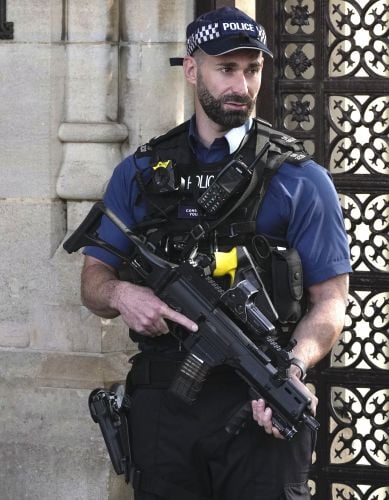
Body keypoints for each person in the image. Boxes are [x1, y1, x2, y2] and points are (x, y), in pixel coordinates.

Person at [79, 6, 351, 499]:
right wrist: (122, 295)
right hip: (166, 407)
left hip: (258, 405)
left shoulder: (300, 179)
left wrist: (291, 368)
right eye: (226, 68)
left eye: (252, 70)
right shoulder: (140, 173)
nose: (242, 86)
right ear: (191, 68)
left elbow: (331, 302)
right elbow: (93, 281)